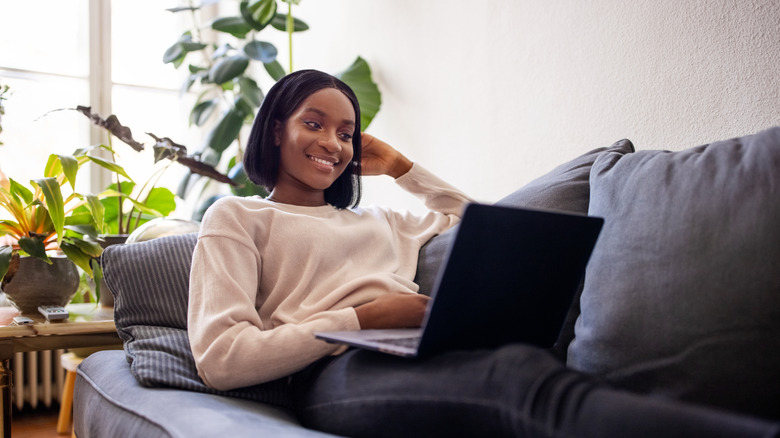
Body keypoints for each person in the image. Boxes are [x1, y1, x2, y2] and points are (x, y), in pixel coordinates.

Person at [188, 70, 759, 438]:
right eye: (314, 124)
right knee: (513, 381)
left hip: (425, 347)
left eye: (346, 132)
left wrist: (404, 170)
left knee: (530, 365)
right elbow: (222, 358)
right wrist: (363, 319)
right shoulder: (238, 217)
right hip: (334, 372)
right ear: (273, 134)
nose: (334, 144)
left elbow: (483, 223)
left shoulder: (383, 220)